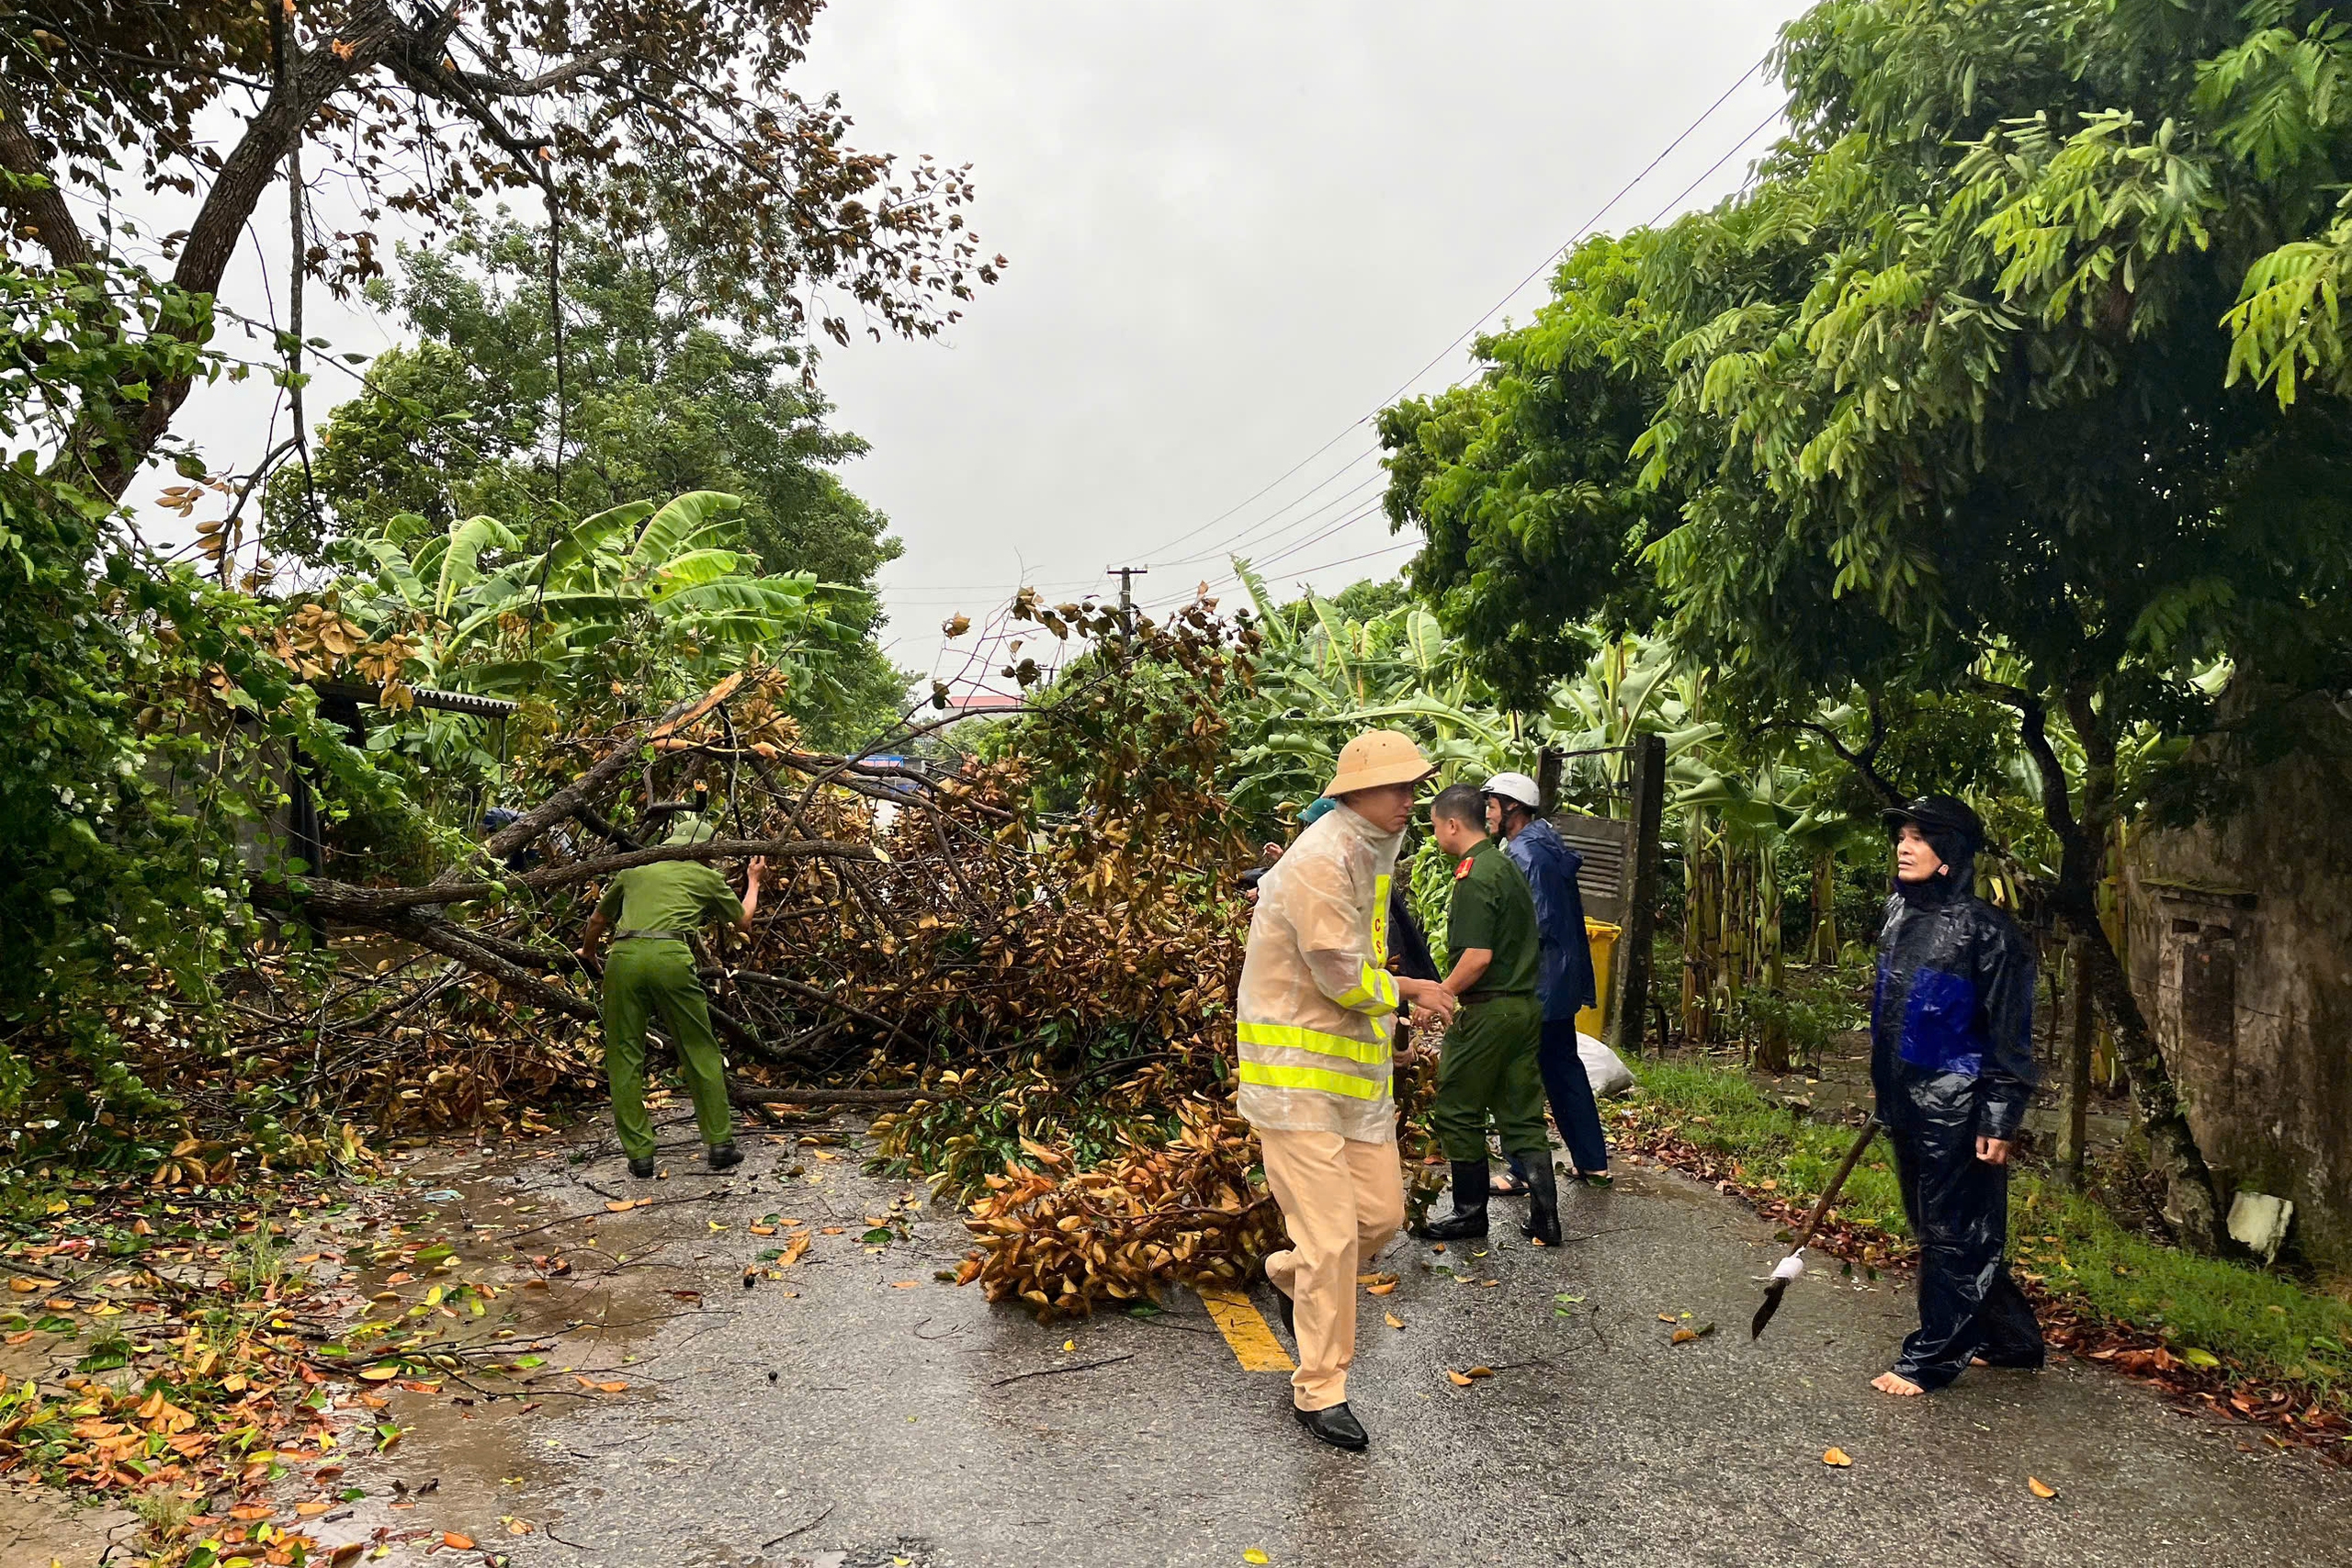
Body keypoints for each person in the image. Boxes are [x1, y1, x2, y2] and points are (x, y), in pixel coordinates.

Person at [1237, 731, 1457, 1452]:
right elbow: (1341, 975)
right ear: (1353, 792)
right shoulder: (1322, 858)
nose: (1410, 800)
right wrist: (1413, 990)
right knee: (1332, 1237)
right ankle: (1319, 1388)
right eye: (1398, 787)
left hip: (1353, 1082)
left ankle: (1284, 1272)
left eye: (1413, 786)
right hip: (1294, 1080)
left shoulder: (1371, 850)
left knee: (1381, 1219)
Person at [1869, 795, 2044, 1396]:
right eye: (1904, 835)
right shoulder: (1897, 913)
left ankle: (1932, 1357)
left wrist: (1999, 1113)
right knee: (1942, 1228)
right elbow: (1889, 1014)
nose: (1905, 845)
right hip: (1906, 1099)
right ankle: (2013, 1338)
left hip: (1960, 1105)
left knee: (1953, 1232)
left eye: (1920, 837)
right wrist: (1885, 1095)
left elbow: (2009, 1036)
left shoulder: (1990, 933)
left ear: (1950, 853)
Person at [580, 816, 766, 1179]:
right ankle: (720, 1144)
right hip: (670, 958)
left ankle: (639, 1156)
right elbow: (743, 922)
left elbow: (598, 921)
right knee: (698, 1048)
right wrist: (753, 881)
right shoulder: (706, 877)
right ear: (706, 851)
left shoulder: (634, 871)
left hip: (624, 957)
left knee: (624, 1054)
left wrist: (588, 954)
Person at [1414, 784, 1560, 1247]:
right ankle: (1546, 1218)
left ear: (1453, 824)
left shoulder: (1475, 874)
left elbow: (1476, 956)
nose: (1436, 834)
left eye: (1436, 825)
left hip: (1487, 1011)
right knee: (1520, 1110)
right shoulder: (1506, 863)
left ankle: (1469, 1213)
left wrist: (1439, 994)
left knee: (1458, 1107)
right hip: (1522, 1009)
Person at [1482, 773, 1611, 1195]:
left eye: (1492, 805)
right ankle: (1593, 1163)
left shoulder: (1526, 854)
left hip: (1538, 982)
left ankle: (1522, 1170)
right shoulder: (1545, 842)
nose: (1487, 813)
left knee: (1518, 1075)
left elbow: (1531, 924)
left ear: (1512, 808)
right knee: (1564, 1070)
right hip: (1560, 980)